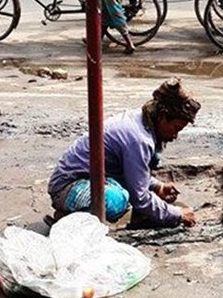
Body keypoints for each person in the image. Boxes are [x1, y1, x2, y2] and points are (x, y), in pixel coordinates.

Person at [48, 79, 200, 229]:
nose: (175, 136)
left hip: (89, 178)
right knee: (117, 200)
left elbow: (131, 171)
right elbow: (140, 198)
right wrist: (178, 215)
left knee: (134, 188)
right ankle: (72, 222)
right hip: (67, 189)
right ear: (162, 116)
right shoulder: (139, 139)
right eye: (176, 128)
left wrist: (156, 186)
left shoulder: (141, 120)